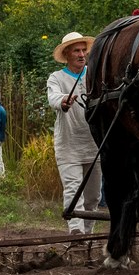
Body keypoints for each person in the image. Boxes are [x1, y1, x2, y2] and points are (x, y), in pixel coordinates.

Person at [47, 31, 102, 236]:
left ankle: (87, 233)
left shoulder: (94, 74)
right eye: (76, 51)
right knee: (73, 189)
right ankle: (76, 232)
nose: (81, 54)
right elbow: (53, 98)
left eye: (83, 50)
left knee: (93, 196)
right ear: (67, 54)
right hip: (68, 145)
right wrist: (64, 100)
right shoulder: (56, 78)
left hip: (94, 144)